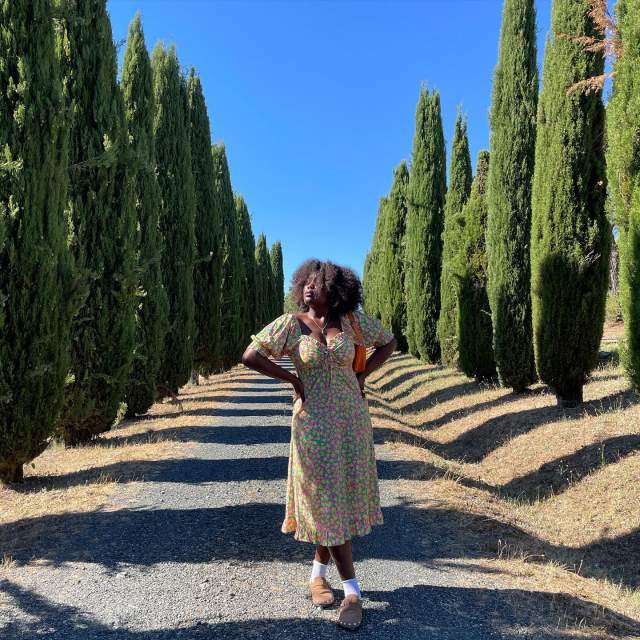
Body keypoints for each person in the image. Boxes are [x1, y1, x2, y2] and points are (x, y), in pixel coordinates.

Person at [241, 258, 396, 630]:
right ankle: (353, 592)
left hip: (351, 425)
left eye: (320, 282)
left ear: (336, 289)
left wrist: (362, 374)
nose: (311, 287)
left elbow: (389, 343)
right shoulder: (292, 324)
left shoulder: (353, 323)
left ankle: (316, 575)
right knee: (327, 500)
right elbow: (251, 355)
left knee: (338, 501)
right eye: (307, 282)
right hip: (312, 428)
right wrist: (293, 381)